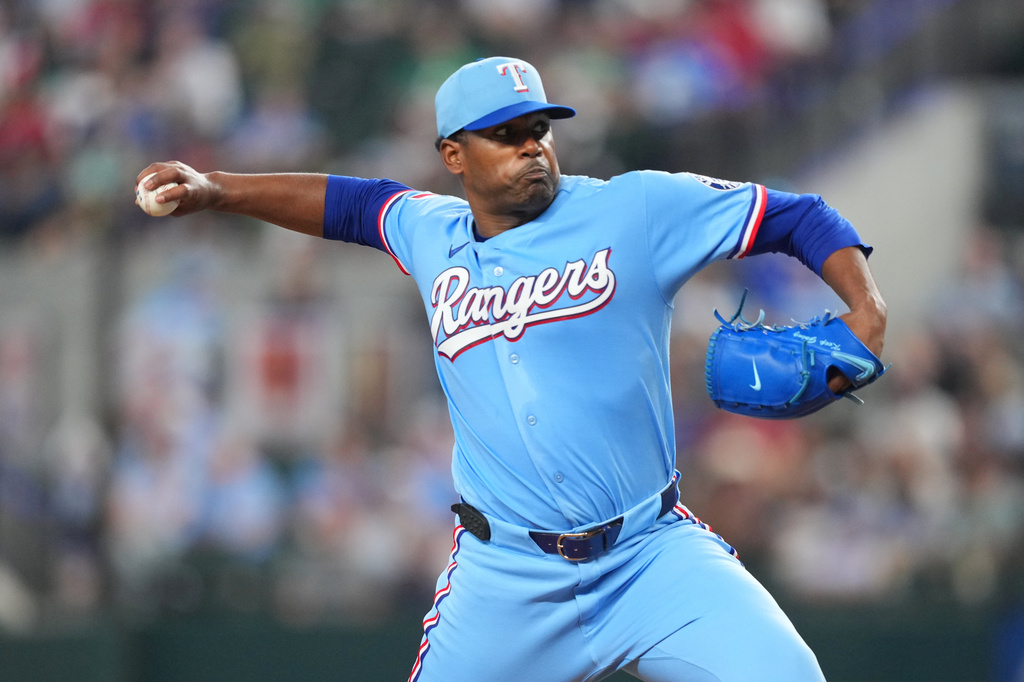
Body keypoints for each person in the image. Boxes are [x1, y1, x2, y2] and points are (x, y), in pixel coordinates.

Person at [136, 56, 886, 682]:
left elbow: (795, 216)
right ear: (453, 156)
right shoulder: (429, 232)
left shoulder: (636, 210)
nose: (533, 147)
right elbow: (352, 205)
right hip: (507, 580)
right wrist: (220, 190)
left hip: (649, 556)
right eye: (506, 135)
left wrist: (866, 310)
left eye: (539, 130)